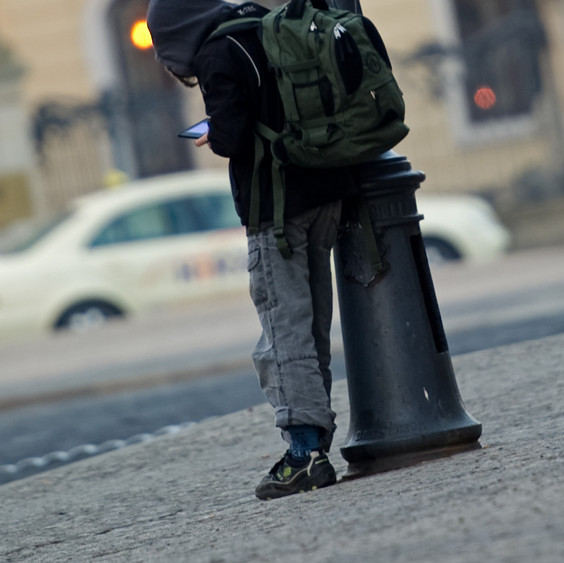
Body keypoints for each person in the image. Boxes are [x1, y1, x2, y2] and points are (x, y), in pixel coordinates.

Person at [147, 0, 357, 500]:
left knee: (284, 335)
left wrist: (214, 135)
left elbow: (233, 135)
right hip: (324, 192)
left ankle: (304, 453)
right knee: (310, 327)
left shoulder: (217, 53)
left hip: (275, 208)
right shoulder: (264, 20)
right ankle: (315, 445)